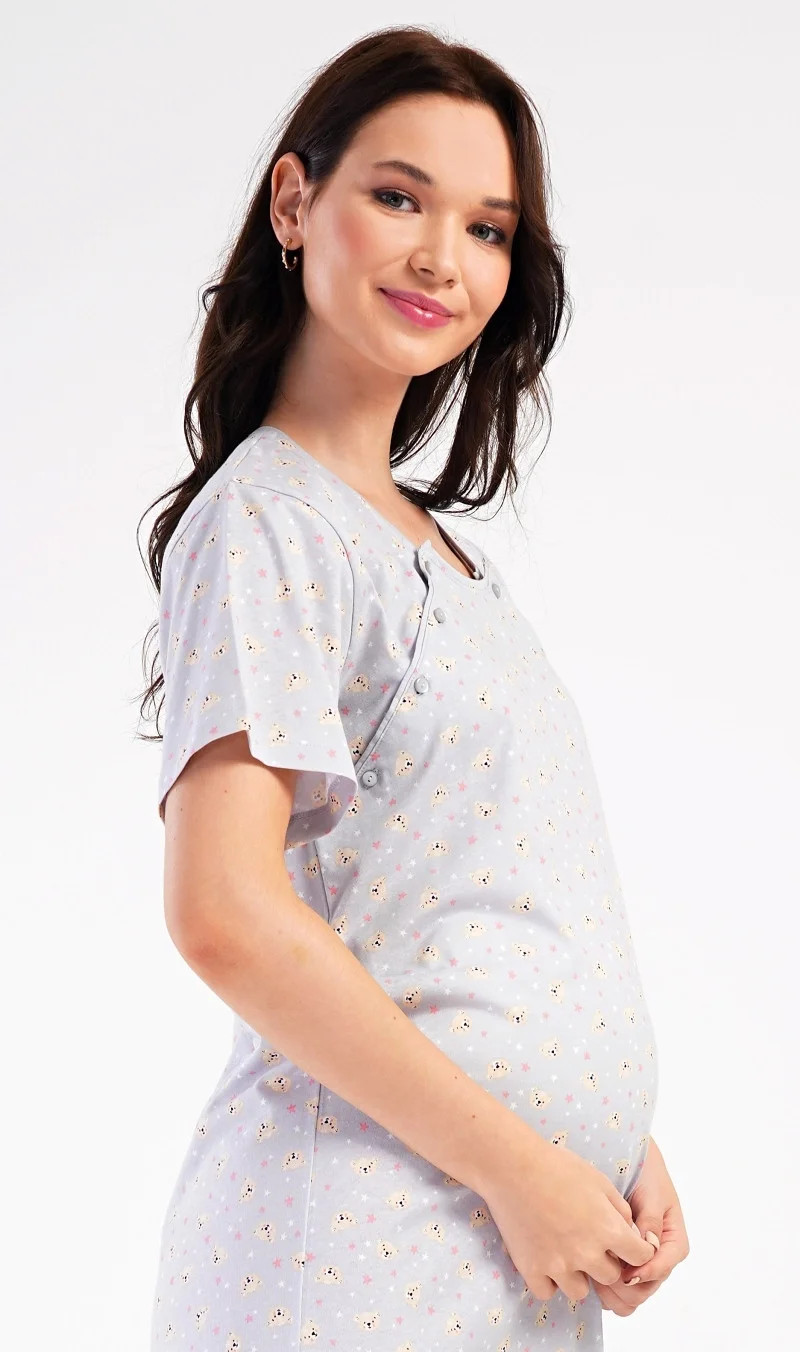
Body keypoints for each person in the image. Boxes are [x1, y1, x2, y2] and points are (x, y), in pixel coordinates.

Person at [138, 24, 689, 1350]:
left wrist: (616, 1140)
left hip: (509, 1248)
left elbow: (461, 895)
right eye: (399, 197)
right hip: (359, 1251)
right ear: (294, 203)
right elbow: (223, 911)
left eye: (488, 228)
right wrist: (519, 1162)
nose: (445, 255)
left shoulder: (436, 552)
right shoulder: (270, 521)